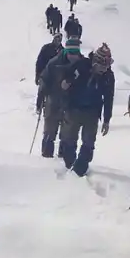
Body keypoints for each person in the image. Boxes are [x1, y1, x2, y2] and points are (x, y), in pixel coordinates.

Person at [59, 43, 115, 176]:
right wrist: (66, 83)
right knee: (69, 139)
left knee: (89, 142)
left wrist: (107, 120)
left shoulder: (108, 76)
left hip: (92, 112)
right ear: (95, 61)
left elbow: (108, 98)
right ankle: (69, 165)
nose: (104, 69)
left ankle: (80, 169)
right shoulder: (81, 65)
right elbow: (65, 80)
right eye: (102, 66)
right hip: (74, 108)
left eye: (107, 66)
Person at [36, 37, 84, 158]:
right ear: (66, 51)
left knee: (67, 134)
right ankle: (46, 157)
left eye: (76, 53)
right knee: (50, 130)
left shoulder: (82, 64)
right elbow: (44, 81)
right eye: (71, 53)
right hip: (54, 101)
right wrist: (40, 100)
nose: (73, 56)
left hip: (72, 103)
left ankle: (63, 159)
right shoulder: (54, 63)